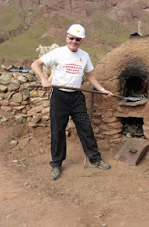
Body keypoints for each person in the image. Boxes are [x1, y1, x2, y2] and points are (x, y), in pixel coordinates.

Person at [31, 24, 113, 180]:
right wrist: (43, 79)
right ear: (66, 37)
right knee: (57, 131)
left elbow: (90, 76)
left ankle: (95, 159)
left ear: (81, 41)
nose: (74, 41)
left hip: (76, 96)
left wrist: (102, 90)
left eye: (78, 39)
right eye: (71, 38)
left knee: (85, 127)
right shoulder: (58, 53)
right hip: (59, 96)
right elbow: (35, 64)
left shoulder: (84, 56)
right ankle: (56, 164)